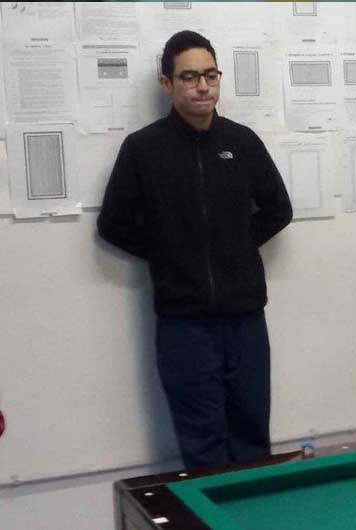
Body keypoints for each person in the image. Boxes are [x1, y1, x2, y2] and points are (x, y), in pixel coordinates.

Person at [97, 30, 293, 468]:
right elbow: (112, 224)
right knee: (203, 448)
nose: (202, 87)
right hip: (183, 326)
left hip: (245, 321)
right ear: (167, 83)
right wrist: (171, 253)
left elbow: (278, 209)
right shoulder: (143, 149)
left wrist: (237, 246)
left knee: (252, 440)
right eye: (189, 77)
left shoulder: (242, 142)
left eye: (210, 75)